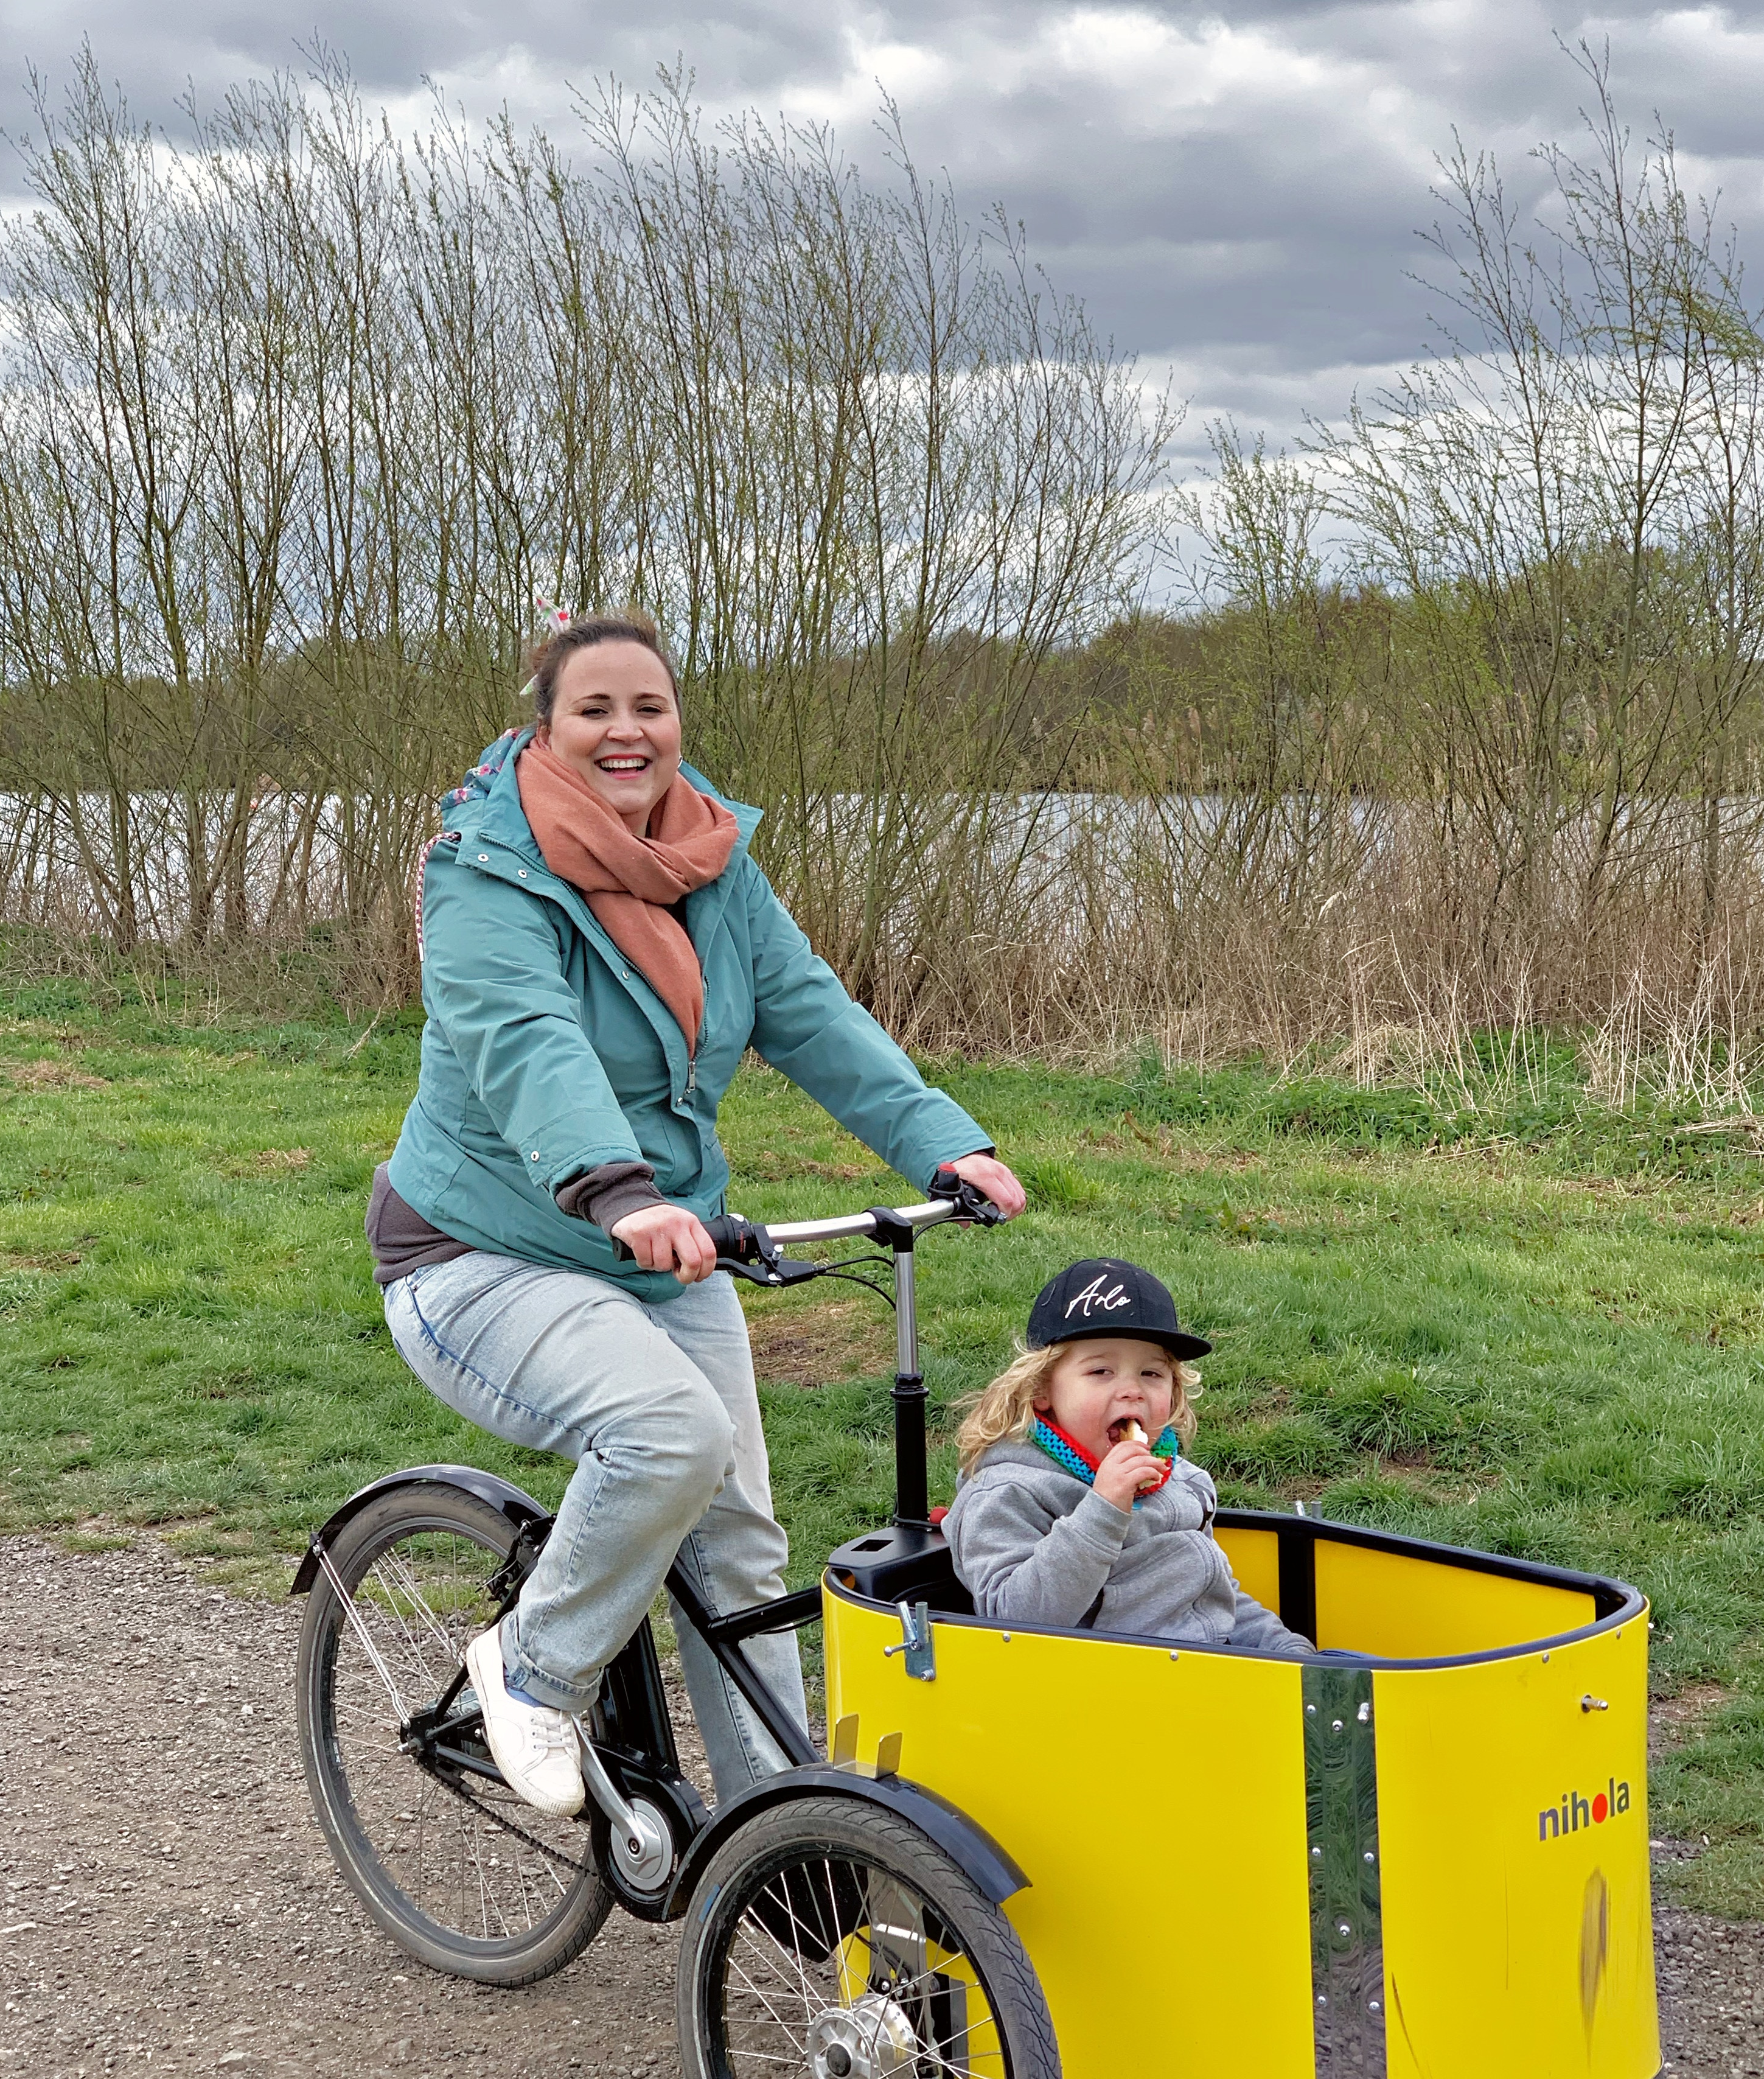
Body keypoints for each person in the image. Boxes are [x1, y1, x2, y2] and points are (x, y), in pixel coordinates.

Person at [367, 607, 1023, 1816]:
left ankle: (769, 1855)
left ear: (676, 722)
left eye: (648, 707)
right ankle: (533, 1666)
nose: (626, 732)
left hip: (659, 1243)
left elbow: (808, 1010)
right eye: (595, 709)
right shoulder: (483, 870)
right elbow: (527, 1044)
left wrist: (944, 1141)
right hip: (481, 1249)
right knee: (669, 1432)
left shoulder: (711, 860)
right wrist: (615, 1189)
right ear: (547, 728)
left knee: (737, 1550)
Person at [941, 1257, 1312, 1654]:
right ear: (1040, 1389)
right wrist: (1101, 1510)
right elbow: (1012, 1622)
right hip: (1099, 1689)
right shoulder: (1009, 1490)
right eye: (1101, 1371)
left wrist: (1289, 1653)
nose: (1131, 1390)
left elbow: (1213, 1597)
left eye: (1151, 1374)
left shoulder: (1182, 1481)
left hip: (1206, 1667)